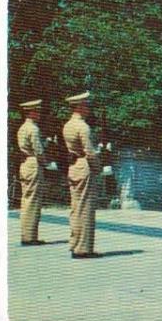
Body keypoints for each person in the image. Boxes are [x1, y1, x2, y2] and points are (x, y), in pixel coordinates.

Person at [62, 91, 102, 259]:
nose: (88, 109)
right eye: (86, 106)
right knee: (85, 208)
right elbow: (90, 153)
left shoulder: (68, 125)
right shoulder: (83, 127)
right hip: (83, 166)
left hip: (73, 166)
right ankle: (83, 248)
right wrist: (98, 167)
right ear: (79, 107)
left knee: (76, 207)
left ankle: (74, 243)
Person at [16, 99, 47, 246]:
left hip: (24, 164)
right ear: (32, 112)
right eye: (37, 111)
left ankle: (27, 234)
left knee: (26, 200)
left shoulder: (22, 128)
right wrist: (45, 163)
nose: (39, 114)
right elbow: (39, 151)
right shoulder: (33, 129)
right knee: (33, 201)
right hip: (33, 163)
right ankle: (30, 236)